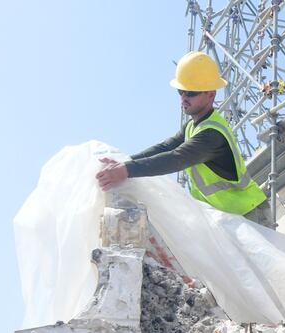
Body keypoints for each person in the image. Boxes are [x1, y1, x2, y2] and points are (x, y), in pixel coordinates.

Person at [96, 51, 269, 223]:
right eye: (181, 91)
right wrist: (124, 162)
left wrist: (126, 170)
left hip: (249, 214)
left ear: (210, 94)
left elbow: (177, 157)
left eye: (191, 92)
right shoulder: (193, 127)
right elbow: (165, 147)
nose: (184, 98)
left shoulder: (211, 135)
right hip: (228, 217)